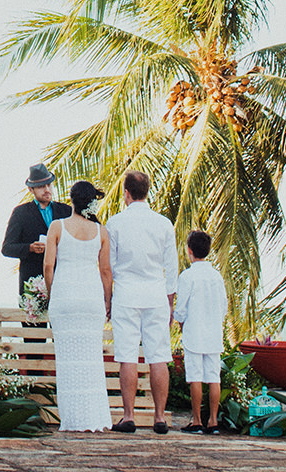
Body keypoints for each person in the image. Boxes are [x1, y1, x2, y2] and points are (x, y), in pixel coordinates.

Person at [103, 169, 177, 434]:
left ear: (126, 193)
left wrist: (108, 300)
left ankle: (129, 415)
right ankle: (159, 417)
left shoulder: (115, 223)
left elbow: (109, 267)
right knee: (159, 356)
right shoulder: (164, 223)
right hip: (156, 294)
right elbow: (172, 266)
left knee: (127, 356)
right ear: (147, 192)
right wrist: (169, 301)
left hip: (126, 294)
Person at [42, 180, 115, 431]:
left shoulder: (57, 226)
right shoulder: (101, 232)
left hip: (64, 299)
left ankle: (72, 420)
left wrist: (53, 294)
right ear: (92, 202)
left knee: (67, 361)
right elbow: (106, 272)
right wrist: (107, 302)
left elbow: (48, 267)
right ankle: (93, 418)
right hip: (91, 300)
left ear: (71, 200)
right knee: (92, 360)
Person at [173, 229, 229, 434]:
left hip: (194, 333)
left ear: (189, 250)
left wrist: (179, 322)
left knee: (195, 377)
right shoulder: (216, 276)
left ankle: (196, 421)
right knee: (214, 377)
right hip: (213, 333)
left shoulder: (187, 276)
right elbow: (223, 306)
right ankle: (213, 421)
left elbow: (181, 308)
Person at [0, 164, 72, 301]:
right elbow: (7, 248)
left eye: (49, 185)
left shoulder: (66, 211)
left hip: (62, 282)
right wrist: (30, 248)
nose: (47, 190)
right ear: (30, 189)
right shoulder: (20, 213)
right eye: (41, 186)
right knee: (32, 323)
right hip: (32, 286)